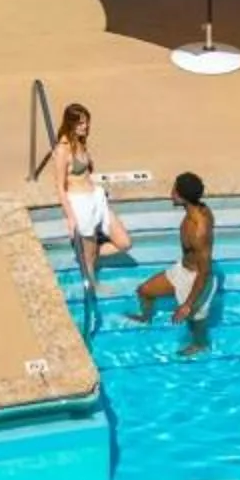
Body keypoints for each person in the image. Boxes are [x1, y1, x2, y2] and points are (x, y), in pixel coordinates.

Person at [134, 172, 215, 351]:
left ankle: (200, 344)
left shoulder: (198, 230)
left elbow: (204, 272)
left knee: (195, 322)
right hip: (182, 269)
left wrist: (187, 304)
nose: (171, 194)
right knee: (144, 291)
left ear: (182, 197)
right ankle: (146, 318)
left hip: (195, 279)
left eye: (174, 190)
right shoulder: (199, 209)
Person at [51, 102, 129, 288]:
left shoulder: (80, 141)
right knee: (89, 260)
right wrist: (70, 218)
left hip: (96, 198)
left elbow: (86, 171)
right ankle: (94, 286)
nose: (85, 126)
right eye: (80, 123)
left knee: (124, 243)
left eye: (86, 122)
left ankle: (88, 254)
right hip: (81, 204)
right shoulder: (62, 149)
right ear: (70, 123)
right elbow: (60, 187)